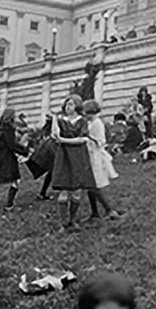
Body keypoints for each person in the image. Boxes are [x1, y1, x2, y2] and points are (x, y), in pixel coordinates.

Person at [51, 95, 96, 228]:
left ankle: (72, 219)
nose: (67, 107)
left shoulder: (82, 121)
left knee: (77, 191)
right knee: (64, 190)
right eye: (66, 104)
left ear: (77, 106)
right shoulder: (61, 120)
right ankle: (63, 222)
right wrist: (54, 118)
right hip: (64, 157)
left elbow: (83, 139)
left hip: (78, 156)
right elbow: (55, 135)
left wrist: (64, 141)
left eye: (70, 104)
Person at [82, 99, 121, 221]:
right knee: (89, 185)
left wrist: (87, 136)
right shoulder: (89, 123)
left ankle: (109, 210)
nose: (85, 115)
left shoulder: (97, 123)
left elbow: (100, 141)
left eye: (87, 113)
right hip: (88, 154)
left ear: (92, 112)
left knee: (94, 185)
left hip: (96, 156)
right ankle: (94, 212)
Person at [25, 115, 58, 200]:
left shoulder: (49, 129)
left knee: (51, 170)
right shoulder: (56, 123)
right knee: (53, 169)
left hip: (49, 148)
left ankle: (43, 192)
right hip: (51, 149)